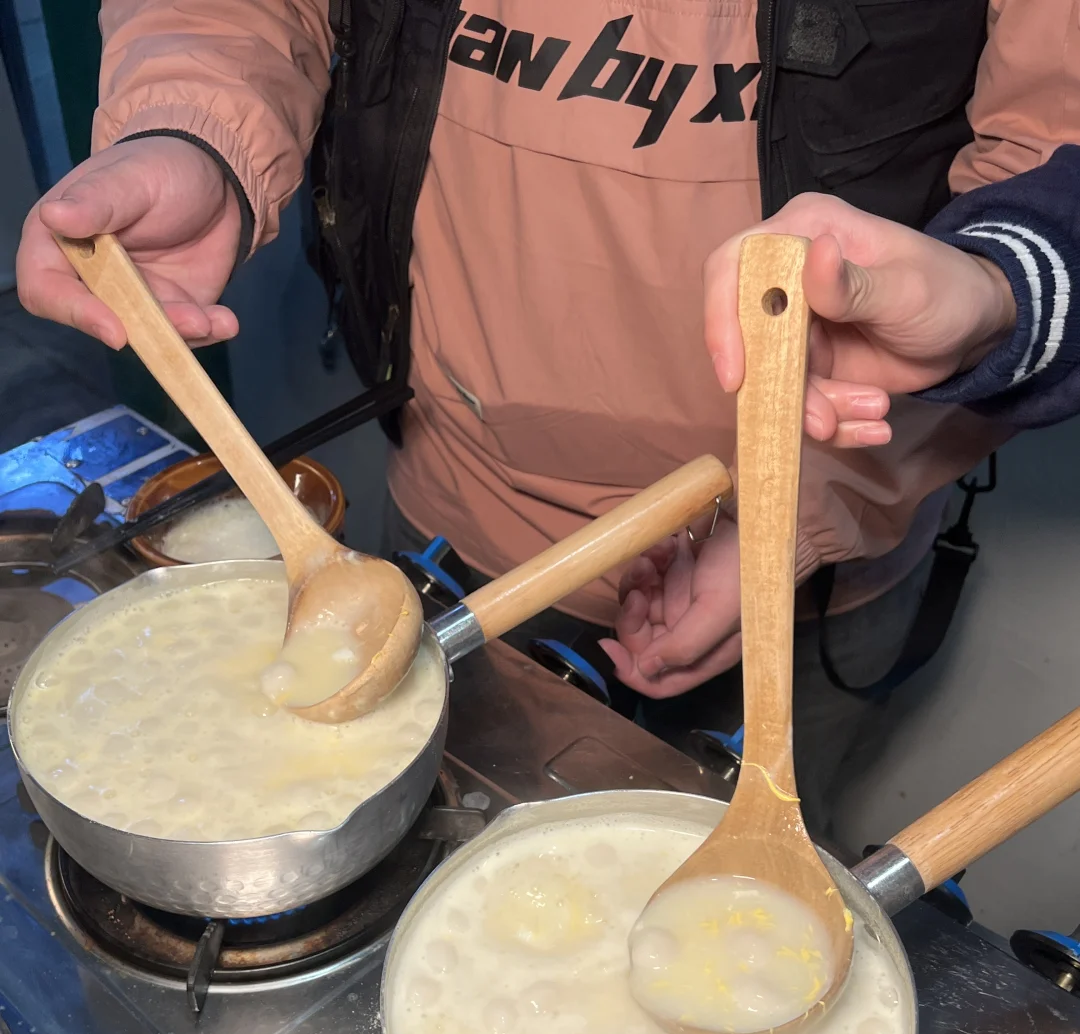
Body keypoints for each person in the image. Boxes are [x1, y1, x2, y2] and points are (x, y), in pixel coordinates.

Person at [15, 0, 1080, 837]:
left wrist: (807, 511)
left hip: (820, 563)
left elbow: (1047, 162)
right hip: (450, 519)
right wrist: (195, 129)